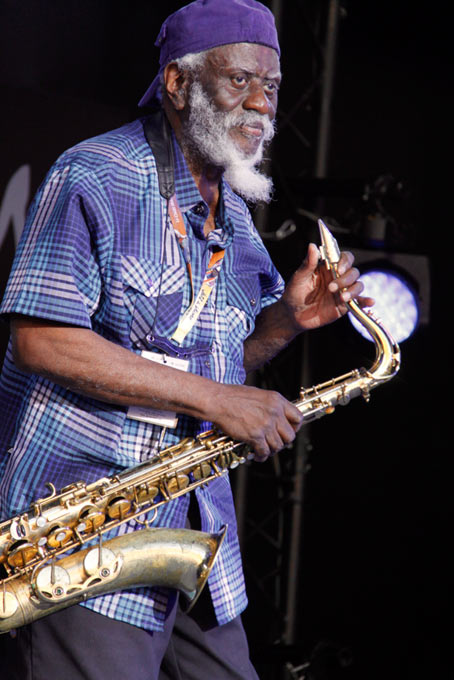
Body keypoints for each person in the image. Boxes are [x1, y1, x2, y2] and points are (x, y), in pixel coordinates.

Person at [0, 1, 371, 678]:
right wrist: (219, 400)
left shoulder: (232, 209)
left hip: (194, 539)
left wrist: (286, 322)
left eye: (275, 86)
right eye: (240, 82)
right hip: (85, 543)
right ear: (177, 82)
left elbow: (232, 358)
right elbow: (44, 343)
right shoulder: (93, 176)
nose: (263, 104)